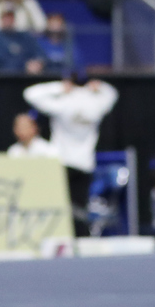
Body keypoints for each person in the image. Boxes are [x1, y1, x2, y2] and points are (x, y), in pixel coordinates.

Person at [23, 76, 119, 236]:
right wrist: (100, 87)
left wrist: (58, 88)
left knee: (62, 209)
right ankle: (78, 242)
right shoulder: (96, 104)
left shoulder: (63, 103)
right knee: (79, 210)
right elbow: (112, 94)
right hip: (82, 164)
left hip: (64, 163)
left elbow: (30, 94)